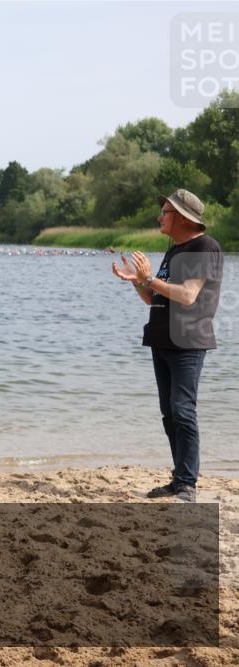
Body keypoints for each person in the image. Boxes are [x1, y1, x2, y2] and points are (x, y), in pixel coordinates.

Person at [112, 188, 223, 503]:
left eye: (166, 211)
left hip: (188, 340)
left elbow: (188, 295)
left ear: (183, 217)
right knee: (168, 413)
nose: (159, 216)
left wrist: (149, 279)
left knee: (182, 410)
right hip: (162, 339)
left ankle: (187, 484)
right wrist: (137, 280)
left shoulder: (205, 247)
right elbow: (154, 297)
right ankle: (178, 480)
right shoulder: (174, 249)